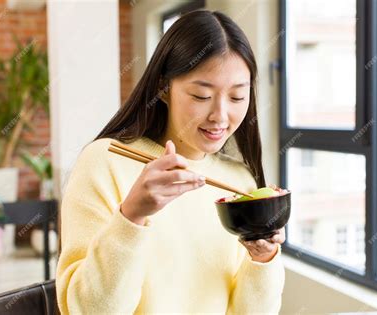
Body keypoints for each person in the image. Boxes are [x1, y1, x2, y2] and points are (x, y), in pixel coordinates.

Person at [56, 9, 285, 314]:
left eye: (237, 97)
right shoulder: (105, 161)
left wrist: (263, 260)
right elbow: (88, 310)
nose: (220, 115)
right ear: (163, 89)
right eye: (202, 96)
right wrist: (132, 216)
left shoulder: (239, 184)